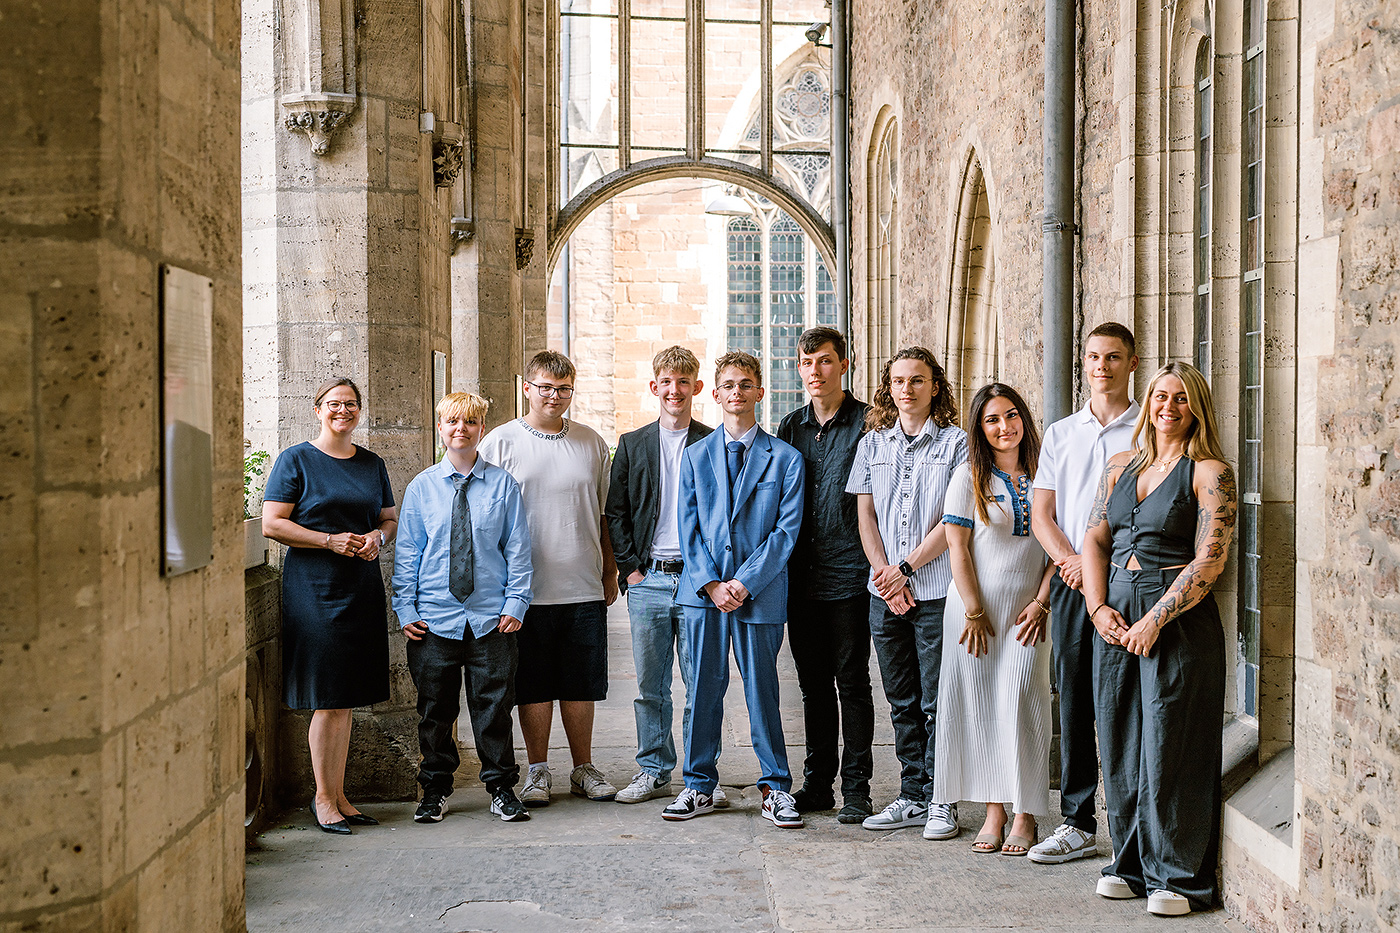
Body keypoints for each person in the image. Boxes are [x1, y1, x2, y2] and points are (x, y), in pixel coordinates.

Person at [1081, 362, 1236, 917]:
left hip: (1178, 619)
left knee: (1173, 742)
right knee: (1120, 739)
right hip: (1115, 613)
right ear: (1147, 401)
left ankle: (1177, 878)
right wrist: (1097, 607)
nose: (1168, 406)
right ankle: (1127, 863)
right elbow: (1094, 540)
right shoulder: (1121, 465)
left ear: (1196, 407)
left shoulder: (1209, 472)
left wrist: (1157, 618)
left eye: (1181, 398)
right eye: (1160, 395)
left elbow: (1210, 559)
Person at [661, 351, 805, 828]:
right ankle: (698, 785)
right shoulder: (696, 456)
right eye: (728, 385)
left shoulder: (785, 458)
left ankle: (775, 787)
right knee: (702, 689)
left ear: (760, 393)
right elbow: (688, 527)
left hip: (758, 595)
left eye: (746, 384)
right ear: (716, 393)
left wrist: (742, 583)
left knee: (764, 692)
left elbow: (785, 532)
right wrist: (711, 583)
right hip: (703, 597)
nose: (737, 392)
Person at [478, 350, 620, 806]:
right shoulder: (499, 443)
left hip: (581, 582)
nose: (554, 396)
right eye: (545, 387)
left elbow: (604, 514)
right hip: (523, 590)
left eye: (563, 389)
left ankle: (583, 768)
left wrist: (610, 569)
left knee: (581, 682)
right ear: (527, 388)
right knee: (533, 683)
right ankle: (537, 771)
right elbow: (484, 517)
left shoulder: (591, 442)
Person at [261, 377, 398, 834]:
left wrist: (378, 538)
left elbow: (388, 518)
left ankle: (341, 796)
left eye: (352, 404)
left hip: (360, 583)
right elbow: (272, 524)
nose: (344, 411)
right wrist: (328, 540)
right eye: (334, 404)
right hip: (314, 587)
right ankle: (322, 799)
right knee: (327, 695)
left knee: (346, 697)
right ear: (317, 409)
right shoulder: (296, 459)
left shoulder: (372, 463)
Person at [1028, 322, 1140, 865]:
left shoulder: (1147, 430)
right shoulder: (1061, 432)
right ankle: (1076, 821)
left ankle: (1129, 821)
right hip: (1074, 583)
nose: (1102, 366)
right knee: (1072, 698)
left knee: (1120, 702)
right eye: (1094, 357)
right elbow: (1042, 513)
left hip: (1125, 581)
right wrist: (1070, 562)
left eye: (1113, 357)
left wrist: (1099, 565)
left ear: (1131, 363)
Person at [393, 392, 534, 824]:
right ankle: (434, 790)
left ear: (481, 429)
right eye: (452, 422)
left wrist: (516, 603)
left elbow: (519, 550)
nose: (461, 429)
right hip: (434, 619)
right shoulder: (421, 487)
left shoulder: (503, 485)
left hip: (492, 619)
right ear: (440, 427)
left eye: (470, 422)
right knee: (435, 712)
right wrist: (406, 609)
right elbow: (408, 553)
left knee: (493, 708)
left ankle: (500, 788)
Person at [847, 347, 968, 840]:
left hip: (936, 591)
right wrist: (884, 574)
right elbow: (865, 515)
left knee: (937, 700)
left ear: (934, 386)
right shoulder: (872, 443)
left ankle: (942, 800)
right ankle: (912, 795)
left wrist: (906, 569)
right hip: (886, 594)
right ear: (888, 387)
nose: (907, 389)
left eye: (917, 380)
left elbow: (954, 519)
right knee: (901, 700)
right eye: (898, 380)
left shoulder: (957, 444)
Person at [932, 383, 1057, 856]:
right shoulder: (969, 478)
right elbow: (957, 547)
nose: (1004, 427)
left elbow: (1058, 550)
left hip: (1029, 614)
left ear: (1023, 418)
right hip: (972, 614)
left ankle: (1026, 814)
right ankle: (994, 811)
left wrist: (1043, 600)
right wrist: (974, 609)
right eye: (991, 420)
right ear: (980, 430)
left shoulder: (1048, 475)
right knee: (982, 707)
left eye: (1010, 416)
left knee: (1024, 700)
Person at [605, 346, 727, 809]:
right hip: (649, 580)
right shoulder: (633, 444)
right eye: (666, 382)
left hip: (698, 581)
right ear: (654, 386)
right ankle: (653, 769)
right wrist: (631, 570)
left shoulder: (713, 441)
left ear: (697, 388)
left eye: (683, 382)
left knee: (702, 683)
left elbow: (723, 515)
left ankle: (700, 777)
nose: (674, 390)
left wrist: (714, 575)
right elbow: (615, 512)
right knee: (649, 685)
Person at [775, 327, 875, 823]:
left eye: (825, 362)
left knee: (852, 682)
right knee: (813, 686)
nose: (815, 372)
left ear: (845, 364)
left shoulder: (869, 424)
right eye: (807, 363)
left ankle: (857, 788)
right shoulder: (789, 426)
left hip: (852, 576)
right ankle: (817, 784)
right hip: (801, 579)